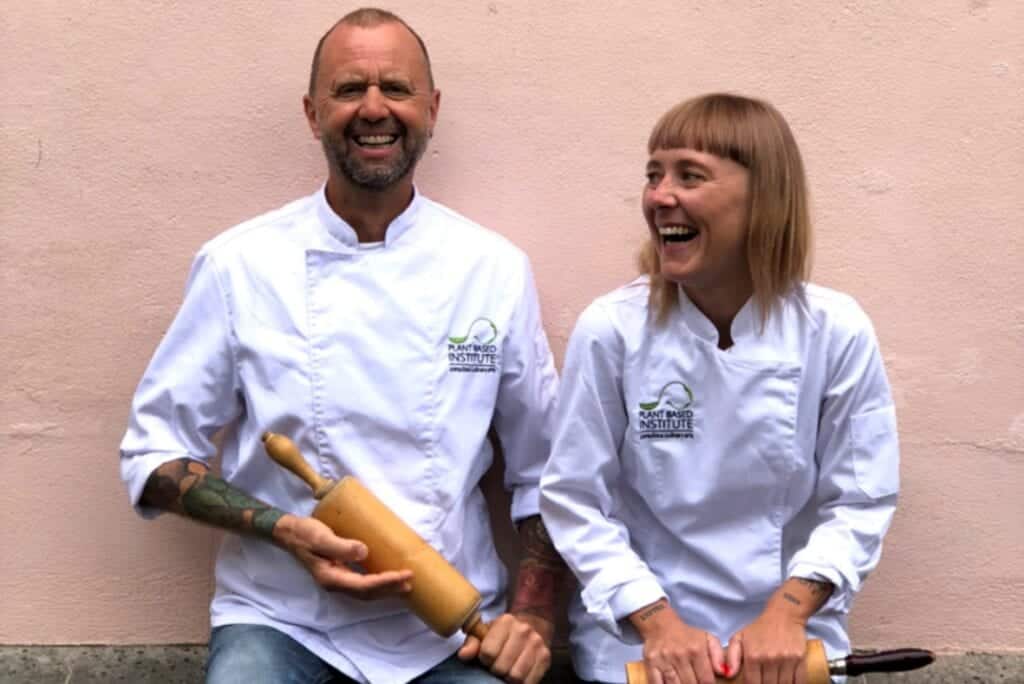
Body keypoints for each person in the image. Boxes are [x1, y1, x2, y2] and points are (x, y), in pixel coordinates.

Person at [119, 8, 566, 684]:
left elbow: (546, 472)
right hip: (280, 619)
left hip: (450, 629)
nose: (374, 108)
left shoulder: (492, 270)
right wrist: (281, 528)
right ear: (312, 112)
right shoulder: (240, 265)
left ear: (432, 108)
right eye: (350, 89)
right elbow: (153, 453)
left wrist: (532, 618)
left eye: (397, 88)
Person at [539, 93, 899, 684]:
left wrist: (787, 614)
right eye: (653, 175)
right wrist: (657, 624)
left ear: (764, 196)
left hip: (790, 651)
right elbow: (575, 499)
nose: (660, 197)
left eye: (689, 176)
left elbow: (860, 501)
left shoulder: (834, 330)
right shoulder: (613, 329)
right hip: (639, 650)